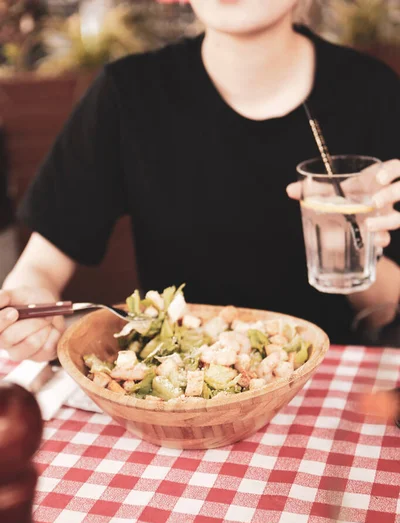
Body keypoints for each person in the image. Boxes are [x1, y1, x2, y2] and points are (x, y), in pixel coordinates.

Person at [0, 0, 399, 363]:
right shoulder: (129, 93)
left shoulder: (375, 94)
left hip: (330, 389)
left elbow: (388, 309)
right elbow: (39, 269)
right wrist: (27, 307)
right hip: (174, 396)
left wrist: (350, 245)